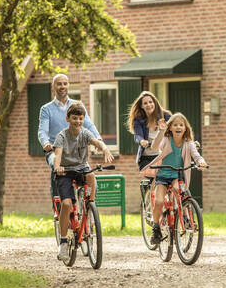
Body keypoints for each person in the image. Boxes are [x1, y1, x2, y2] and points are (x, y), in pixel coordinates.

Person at [53, 102, 114, 261]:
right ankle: (64, 242)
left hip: (81, 168)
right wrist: (58, 167)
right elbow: (57, 155)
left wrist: (105, 149)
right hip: (65, 171)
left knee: (91, 175)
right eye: (74, 118)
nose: (78, 122)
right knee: (66, 204)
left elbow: (96, 142)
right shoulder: (61, 136)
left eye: (80, 119)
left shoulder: (85, 133)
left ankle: (89, 206)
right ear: (68, 119)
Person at [141, 112, 208, 245]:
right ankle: (156, 228)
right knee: (159, 202)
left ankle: (184, 216)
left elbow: (196, 156)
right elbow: (155, 146)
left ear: (185, 128)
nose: (178, 127)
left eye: (181, 125)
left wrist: (201, 162)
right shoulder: (166, 140)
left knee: (179, 191)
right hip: (163, 176)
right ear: (170, 128)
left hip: (177, 175)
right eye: (175, 125)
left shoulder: (189, 143)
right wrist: (161, 131)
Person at [38, 74, 102, 210]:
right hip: (56, 150)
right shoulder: (46, 109)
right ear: (53, 86)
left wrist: (98, 140)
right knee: (58, 169)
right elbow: (42, 131)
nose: (62, 87)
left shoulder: (77, 105)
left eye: (65, 84)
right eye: (59, 84)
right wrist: (45, 143)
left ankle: (89, 209)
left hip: (76, 150)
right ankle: (60, 208)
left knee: (91, 178)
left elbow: (89, 125)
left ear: (68, 86)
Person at [128, 91, 172, 171]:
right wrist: (142, 141)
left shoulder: (166, 116)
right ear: (141, 106)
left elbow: (176, 130)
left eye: (150, 102)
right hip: (146, 158)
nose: (148, 105)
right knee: (155, 177)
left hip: (163, 156)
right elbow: (137, 135)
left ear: (155, 103)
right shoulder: (139, 120)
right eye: (145, 103)